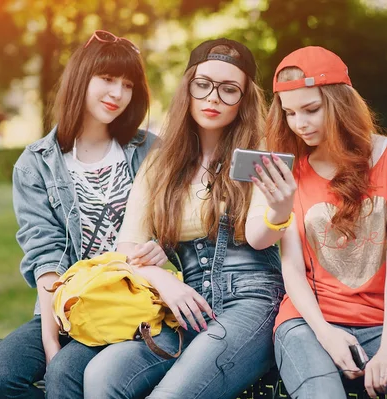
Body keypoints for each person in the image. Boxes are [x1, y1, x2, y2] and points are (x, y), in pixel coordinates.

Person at [83, 38, 286, 399]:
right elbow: (127, 248)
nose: (213, 98)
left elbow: (259, 237)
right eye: (203, 85)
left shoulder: (260, 150)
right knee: (102, 375)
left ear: (244, 100)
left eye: (229, 90)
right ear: (188, 87)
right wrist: (166, 281)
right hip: (185, 303)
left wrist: (280, 210)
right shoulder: (161, 163)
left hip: (252, 301)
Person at [0, 30, 165, 399]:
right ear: (82, 78)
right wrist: (50, 339)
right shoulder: (36, 164)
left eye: (127, 84)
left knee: (65, 374)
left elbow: (173, 224)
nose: (117, 94)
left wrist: (161, 246)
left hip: (129, 302)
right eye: (107, 79)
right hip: (66, 307)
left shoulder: (148, 150)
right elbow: (45, 255)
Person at [255, 46, 387, 398]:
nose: (300, 124)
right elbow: (293, 271)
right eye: (290, 113)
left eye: (312, 109)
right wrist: (326, 334)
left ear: (340, 102)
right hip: (307, 322)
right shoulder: (291, 171)